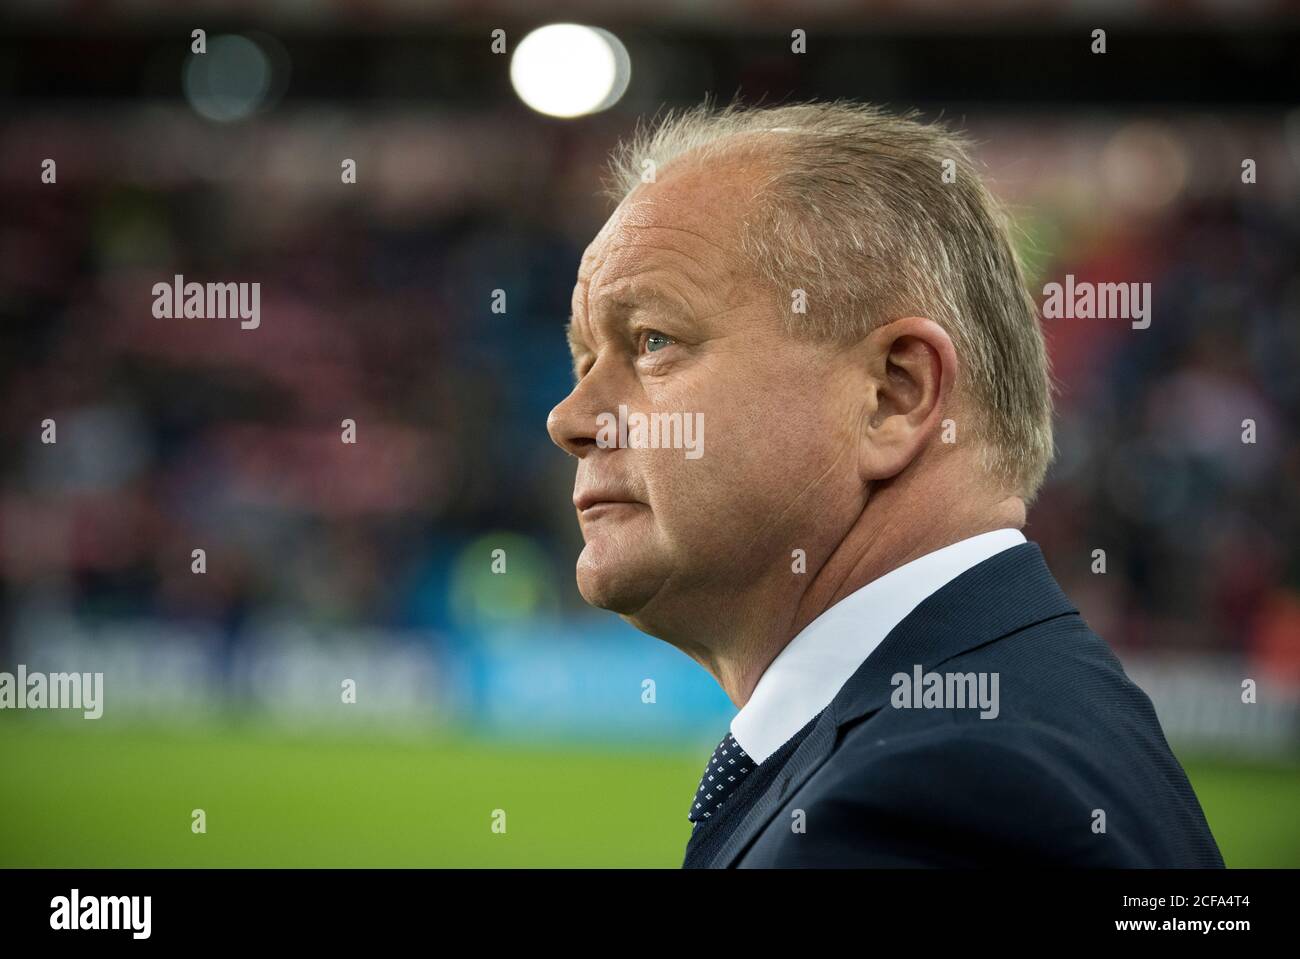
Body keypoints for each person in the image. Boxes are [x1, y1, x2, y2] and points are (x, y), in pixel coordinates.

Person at [546, 100, 1224, 868]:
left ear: (894, 395)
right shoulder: (1019, 707)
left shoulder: (926, 804)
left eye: (653, 340)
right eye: (582, 360)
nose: (570, 418)